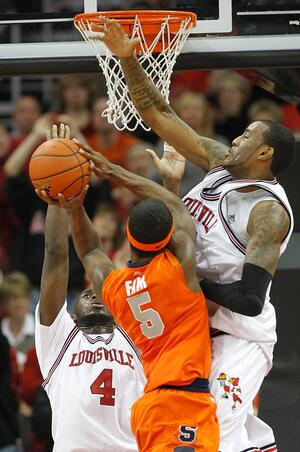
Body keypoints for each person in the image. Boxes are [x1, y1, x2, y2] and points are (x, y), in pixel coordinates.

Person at [93, 18, 295, 452]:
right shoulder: (221, 163)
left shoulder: (267, 214)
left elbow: (250, 300)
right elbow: (160, 114)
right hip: (195, 328)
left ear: (265, 153)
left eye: (245, 136)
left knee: (210, 426)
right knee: (211, 430)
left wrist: (185, 283)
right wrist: (128, 58)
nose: (234, 139)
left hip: (240, 334)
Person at [75, 140, 219, 451]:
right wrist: (113, 170)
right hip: (182, 402)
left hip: (153, 404)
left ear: (128, 234)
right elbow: (176, 208)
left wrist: (73, 206)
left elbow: (89, 249)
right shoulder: (177, 269)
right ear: (170, 239)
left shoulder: (113, 286)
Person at [35, 124, 145, 452]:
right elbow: (56, 257)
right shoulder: (57, 337)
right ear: (71, 310)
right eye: (85, 293)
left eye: (99, 292)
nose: (94, 294)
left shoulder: (136, 331)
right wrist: (57, 195)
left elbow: (98, 257)